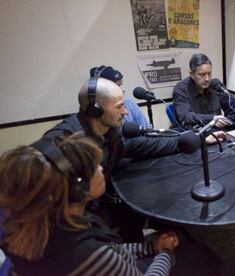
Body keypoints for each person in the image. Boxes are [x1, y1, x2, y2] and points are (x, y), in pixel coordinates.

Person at [42, 77, 225, 242]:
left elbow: (146, 144)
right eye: (119, 106)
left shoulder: (111, 133)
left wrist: (197, 139)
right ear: (95, 110)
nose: (126, 111)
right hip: (68, 227)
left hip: (101, 203)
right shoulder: (64, 139)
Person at [0, 134, 179, 275]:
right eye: (94, 167)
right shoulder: (82, 253)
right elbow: (102, 256)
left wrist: (150, 246)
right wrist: (166, 253)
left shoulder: (45, 224)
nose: (101, 169)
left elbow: (110, 252)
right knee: (197, 257)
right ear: (77, 189)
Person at [173, 53, 235, 129]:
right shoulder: (181, 90)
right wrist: (212, 119)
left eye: (209, 73)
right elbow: (186, 116)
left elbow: (232, 103)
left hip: (219, 132)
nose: (207, 79)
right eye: (202, 74)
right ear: (192, 74)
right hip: (198, 136)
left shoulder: (215, 85)